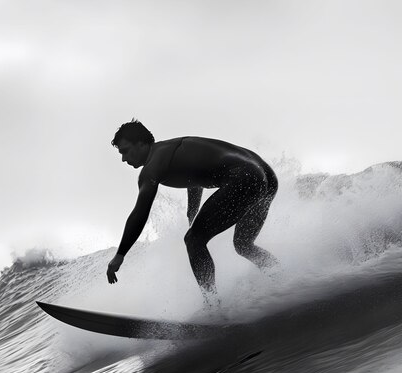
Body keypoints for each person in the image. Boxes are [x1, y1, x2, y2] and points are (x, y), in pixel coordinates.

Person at [106, 119, 278, 296]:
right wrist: (192, 212)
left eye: (125, 151)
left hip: (244, 178)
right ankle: (281, 277)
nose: (124, 158)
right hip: (266, 176)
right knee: (243, 244)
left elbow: (140, 212)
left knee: (194, 240)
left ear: (141, 144)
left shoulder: (152, 167)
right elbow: (194, 176)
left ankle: (212, 307)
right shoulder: (172, 149)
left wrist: (120, 255)